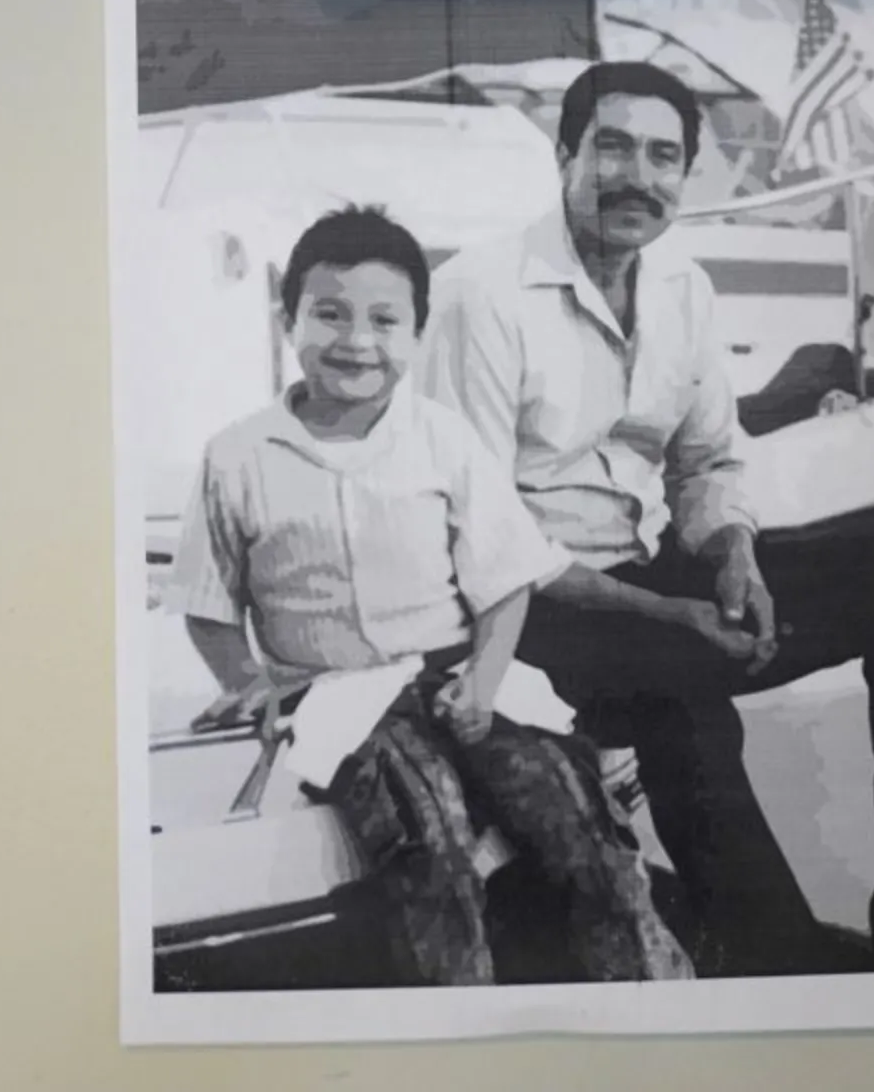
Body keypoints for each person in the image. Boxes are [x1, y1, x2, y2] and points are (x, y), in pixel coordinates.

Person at [418, 60, 874, 976]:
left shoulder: (683, 287)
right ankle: (775, 960)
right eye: (615, 147)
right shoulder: (482, 293)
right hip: (523, 608)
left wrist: (734, 555)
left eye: (663, 156)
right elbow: (487, 531)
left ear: (685, 174)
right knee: (682, 687)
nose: (639, 176)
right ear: (566, 155)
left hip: (646, 572)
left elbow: (711, 460)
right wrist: (674, 615)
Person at [161, 205, 692, 986]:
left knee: (582, 826)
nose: (356, 341)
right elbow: (207, 604)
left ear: (415, 331)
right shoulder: (237, 455)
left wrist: (482, 681)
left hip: (460, 678)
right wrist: (250, 683)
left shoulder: (442, 436)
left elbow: (506, 579)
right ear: (288, 319)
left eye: (385, 320)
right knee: (429, 837)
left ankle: (653, 1006)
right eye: (329, 314)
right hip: (337, 700)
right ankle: (453, 1026)